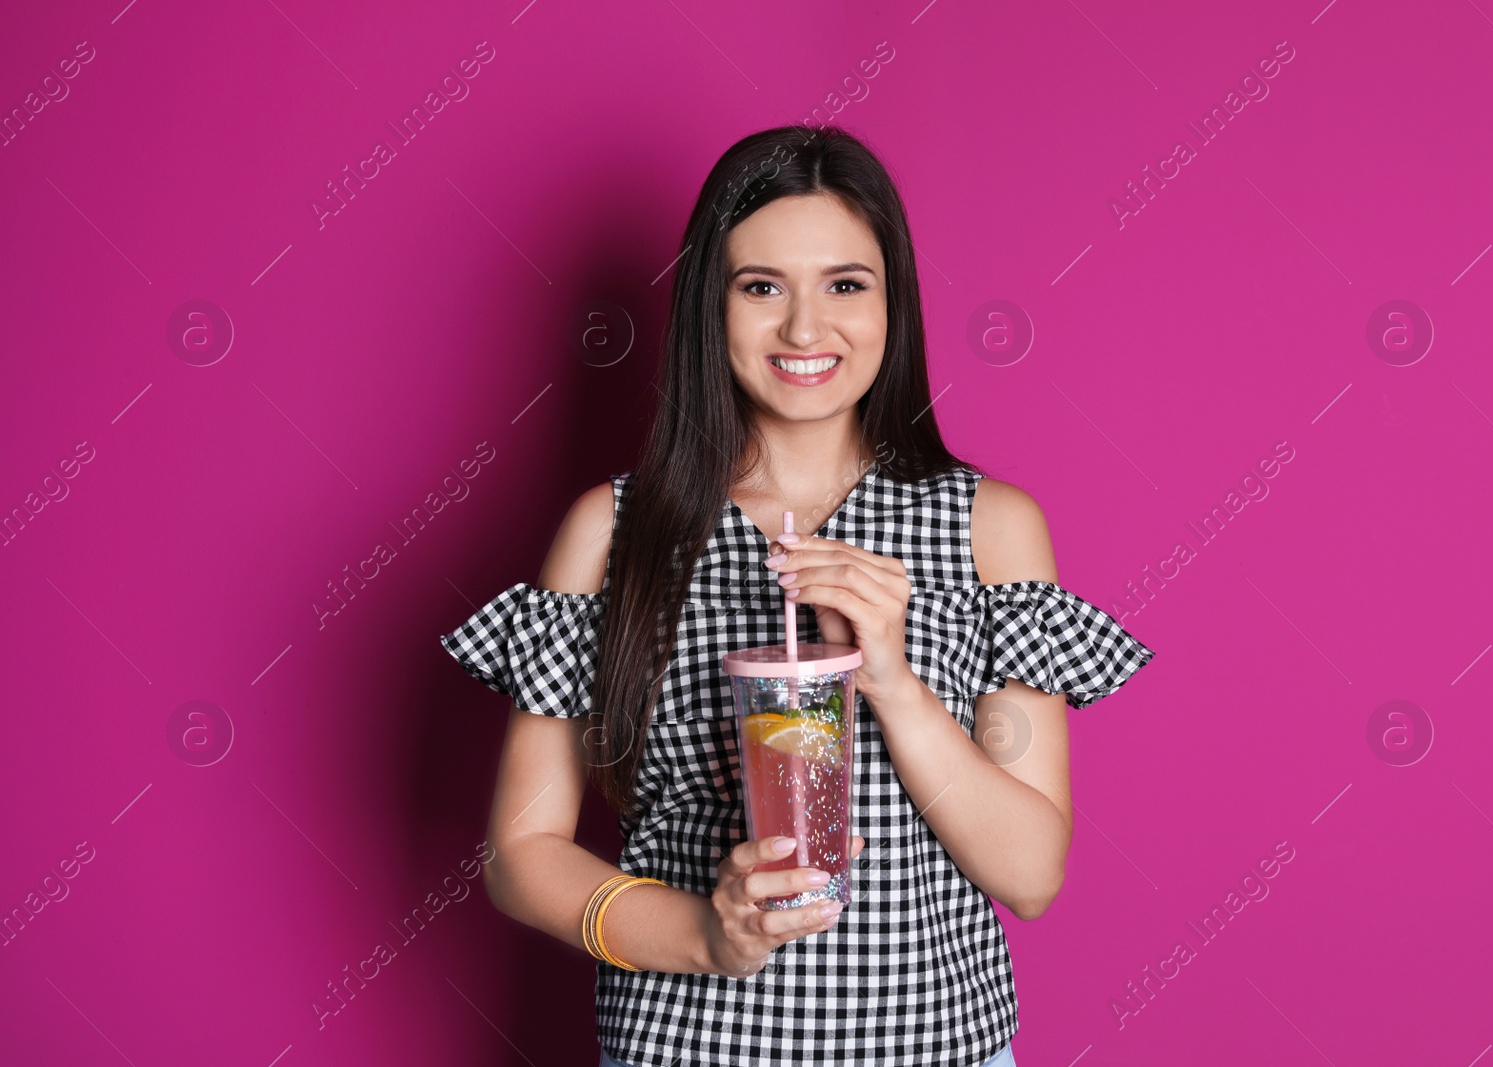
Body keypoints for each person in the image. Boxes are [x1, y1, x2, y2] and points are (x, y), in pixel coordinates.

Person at [438, 123, 1155, 1067]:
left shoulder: (989, 528)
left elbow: (1028, 875)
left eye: (845, 285)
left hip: (932, 1046)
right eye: (762, 286)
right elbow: (521, 856)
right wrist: (706, 932)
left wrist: (892, 677)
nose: (806, 330)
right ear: (710, 305)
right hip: (684, 1045)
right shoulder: (614, 531)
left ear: (893, 303)